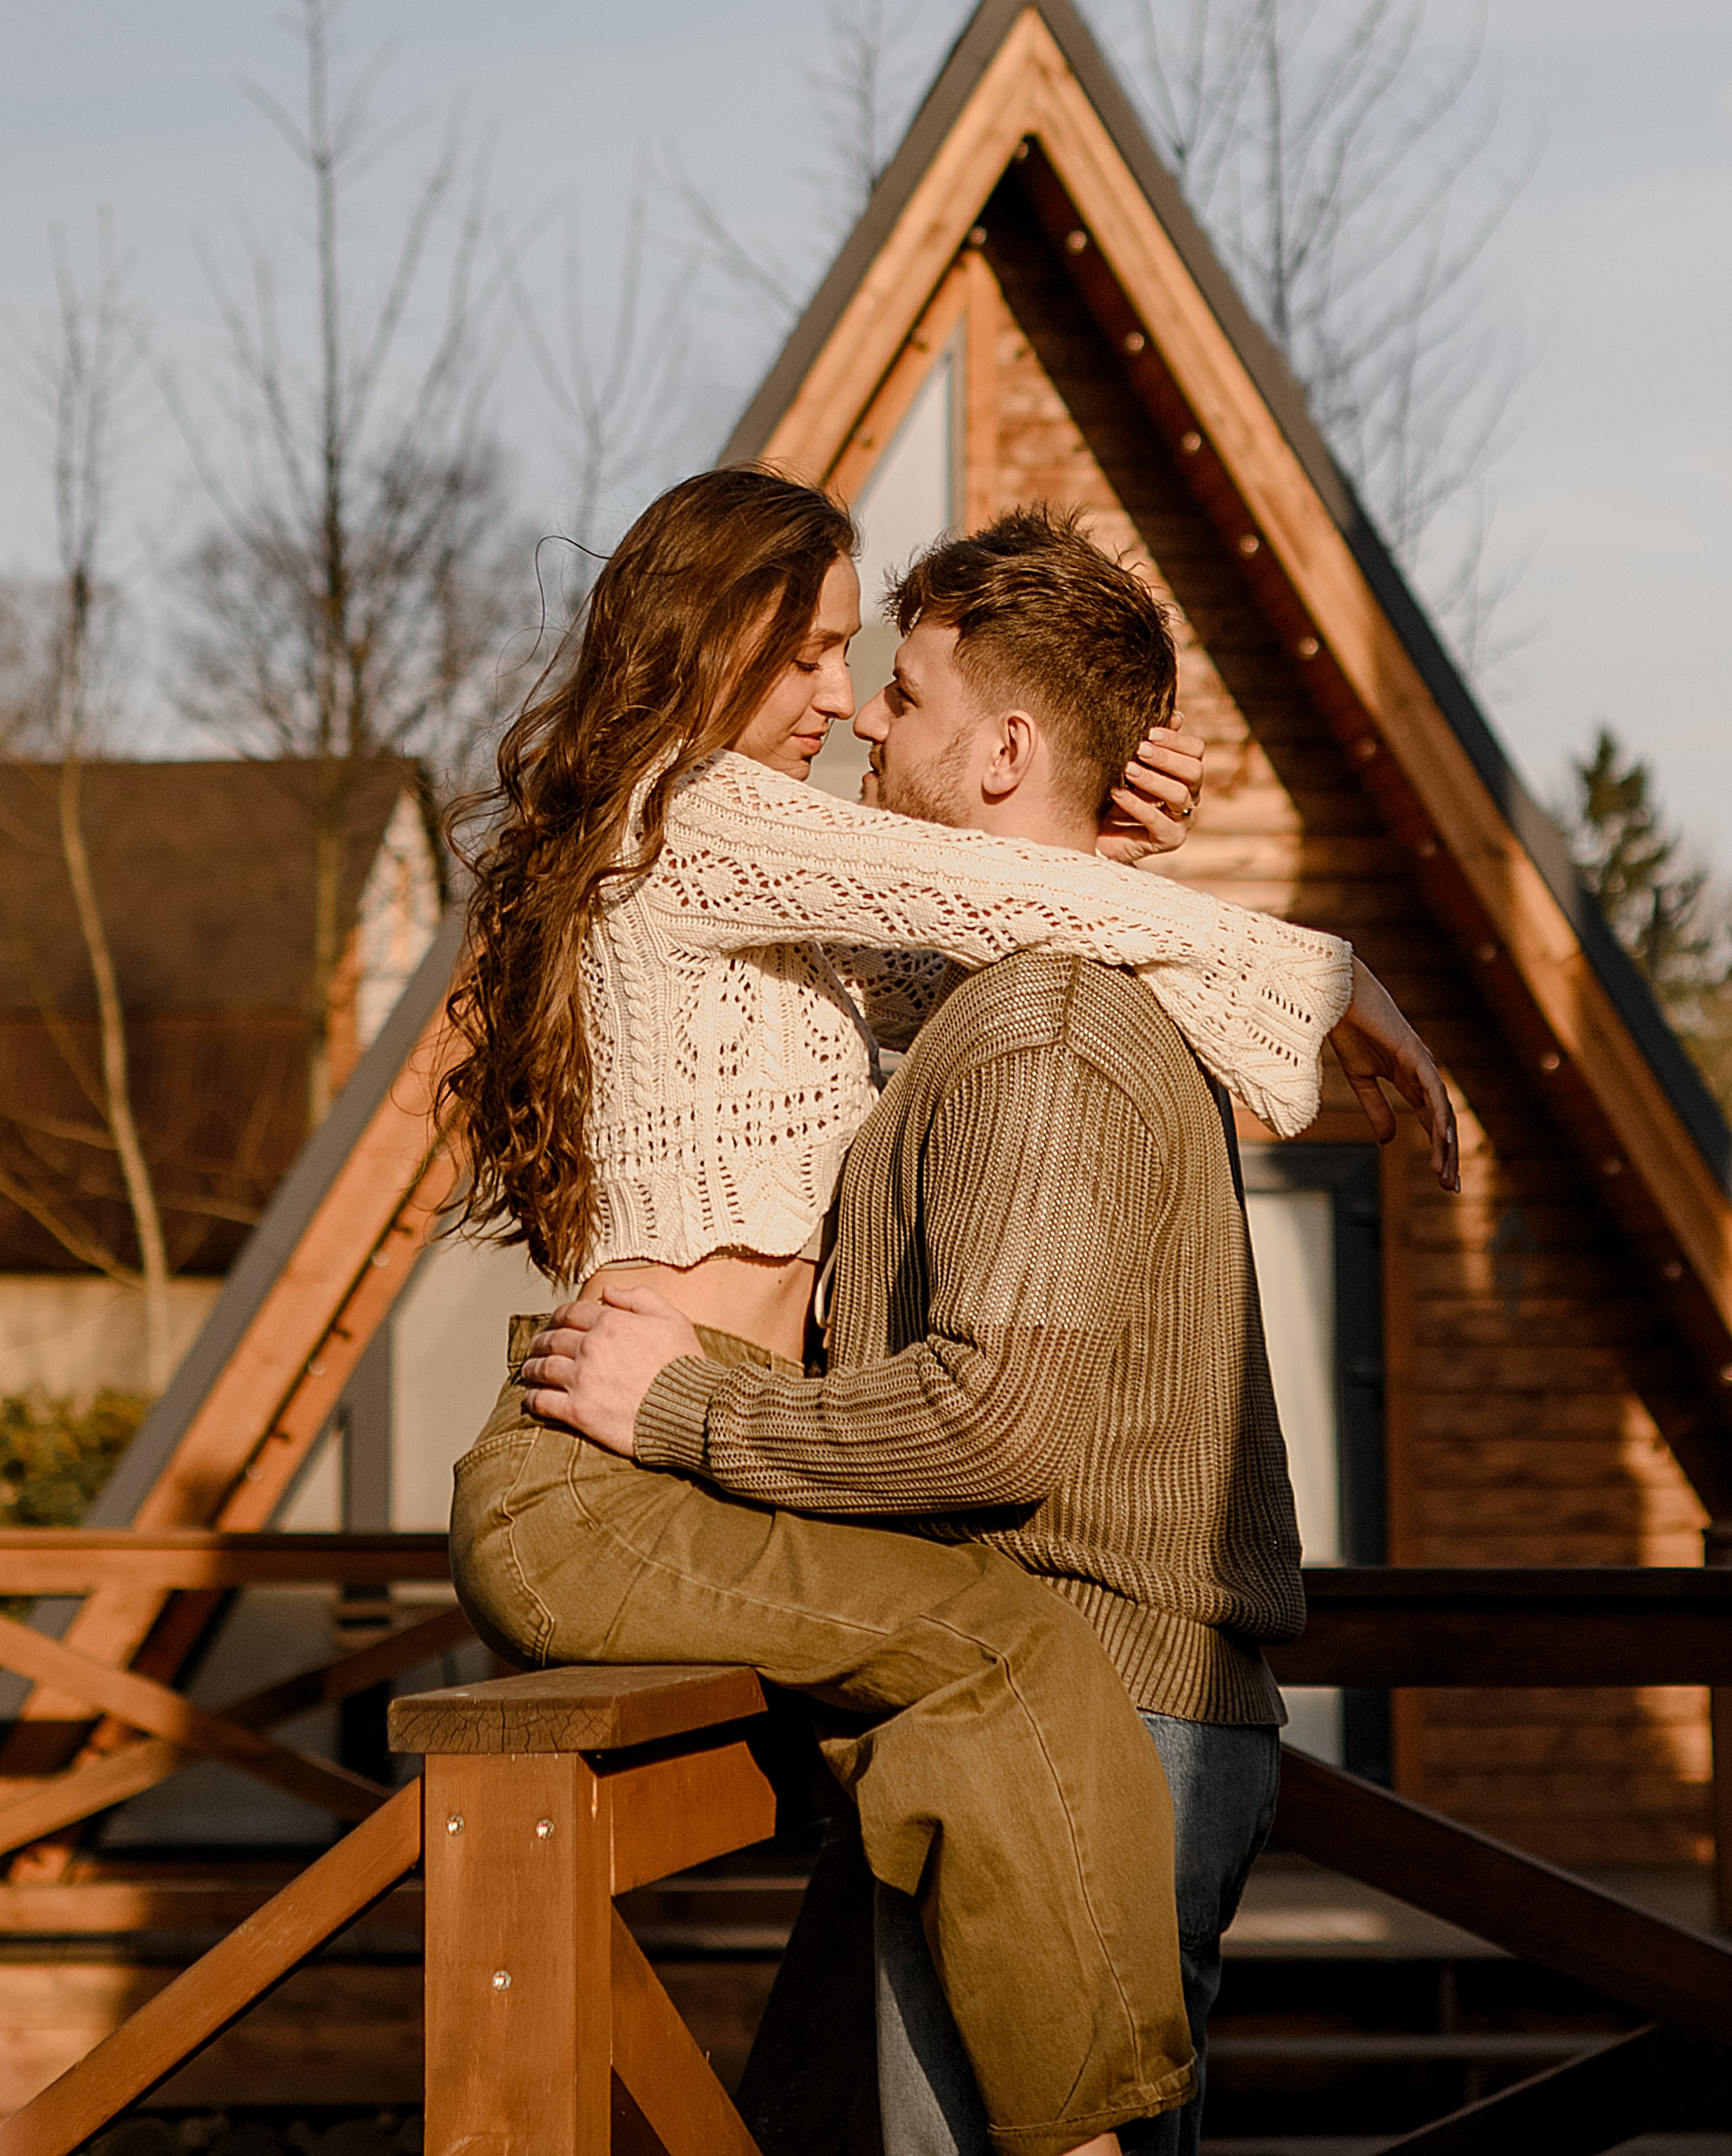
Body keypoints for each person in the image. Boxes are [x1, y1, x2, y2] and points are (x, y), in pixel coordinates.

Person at [441, 468, 1455, 2156]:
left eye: (862, 666)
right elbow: (1011, 905)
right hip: (602, 1468)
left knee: (933, 1800)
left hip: (686, 1464)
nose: (838, 703)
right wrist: (1332, 974)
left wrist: (1094, 832)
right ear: (706, 639)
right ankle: (1079, 2141)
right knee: (1000, 1651)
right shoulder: (688, 813)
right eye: (806, 655)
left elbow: (1006, 923)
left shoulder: (784, 915)